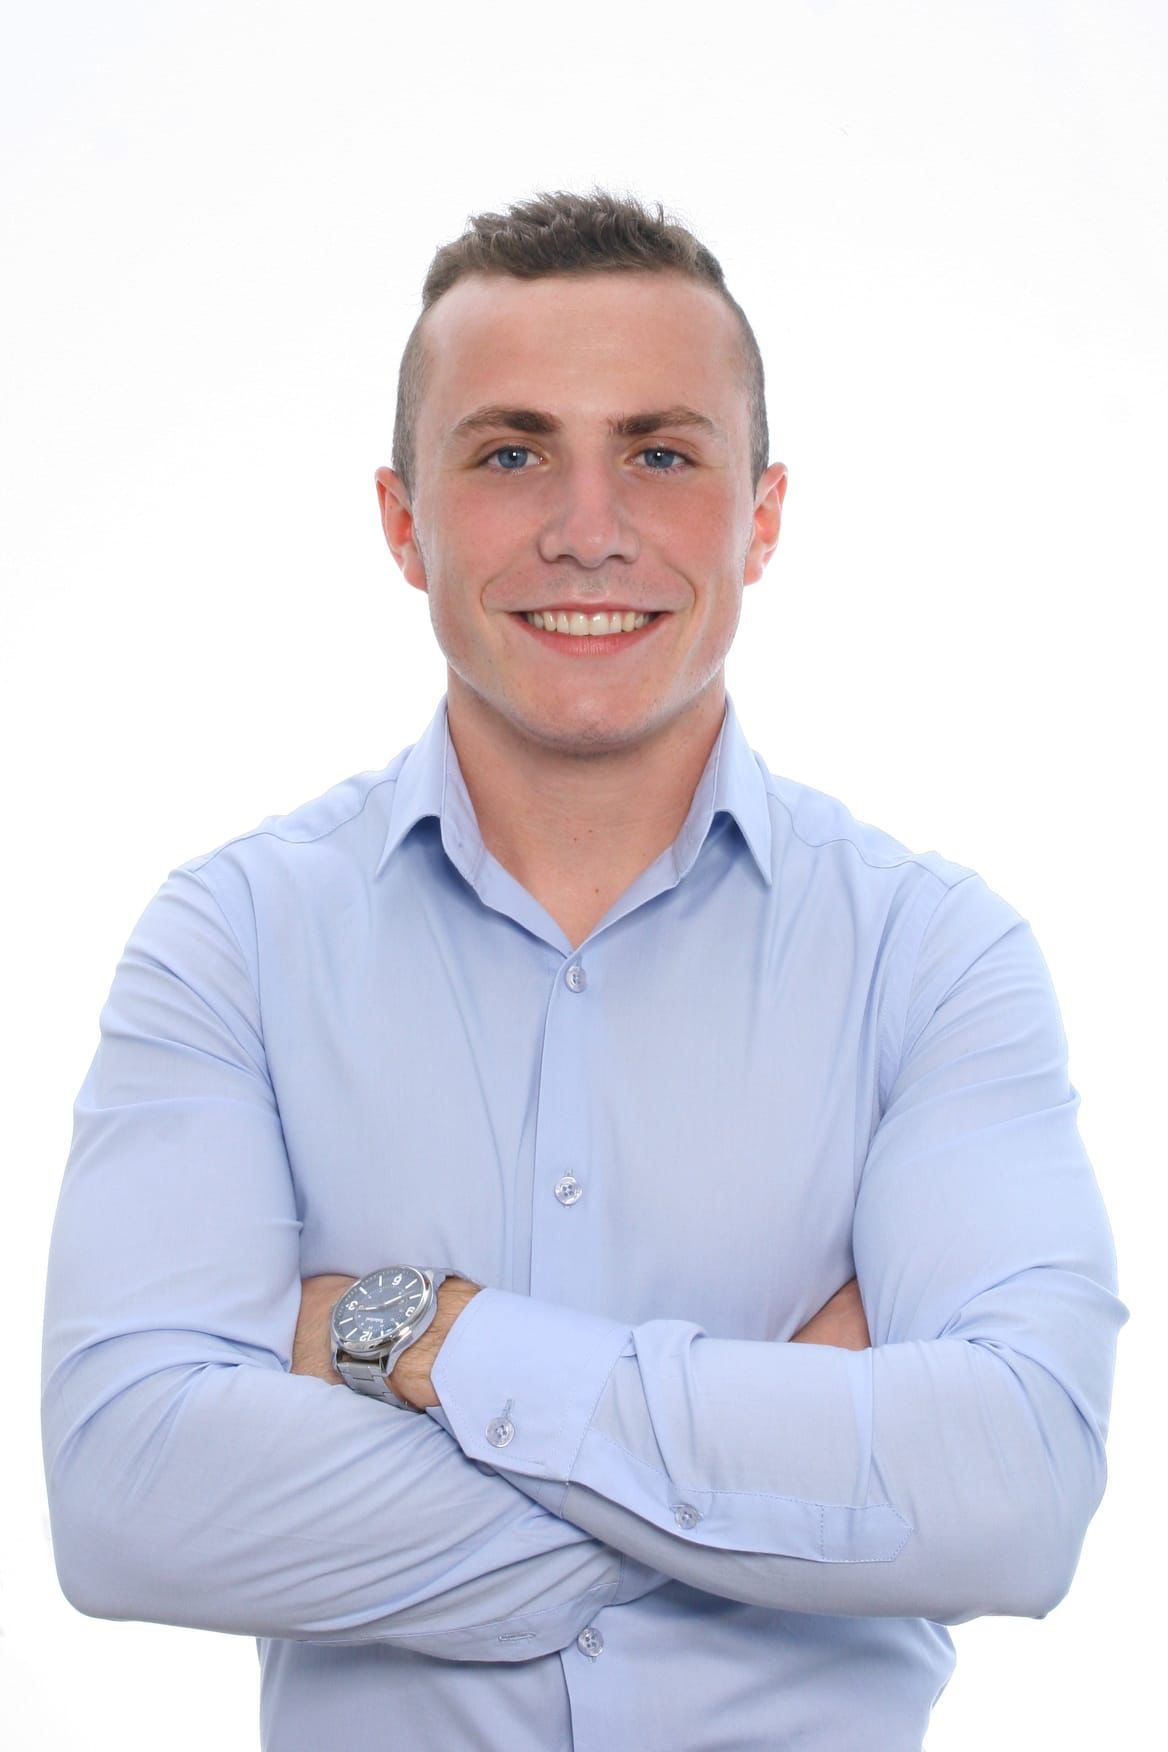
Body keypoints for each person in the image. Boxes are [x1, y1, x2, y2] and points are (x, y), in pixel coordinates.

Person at [41, 187, 1128, 1752]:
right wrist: (785, 1493)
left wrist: (430, 1334)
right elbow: (130, 1502)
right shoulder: (233, 945)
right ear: (402, 522)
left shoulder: (932, 958)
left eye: (662, 455)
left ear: (762, 516)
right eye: (511, 454)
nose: (588, 527)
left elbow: (1015, 1498)